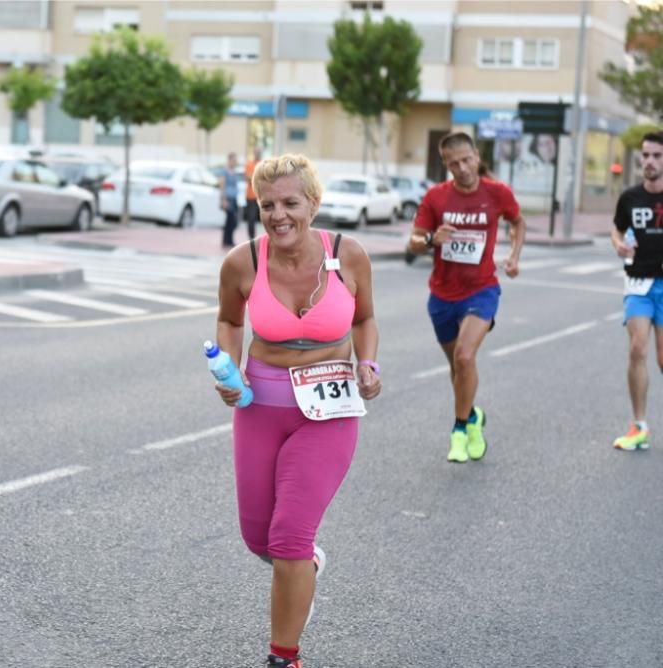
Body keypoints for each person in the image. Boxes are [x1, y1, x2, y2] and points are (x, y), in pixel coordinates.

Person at [214, 153, 382, 668]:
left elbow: (366, 318)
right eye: (267, 205)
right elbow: (228, 321)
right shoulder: (242, 262)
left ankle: (284, 656)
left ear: (313, 203)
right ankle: (304, 566)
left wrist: (368, 362)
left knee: (289, 536)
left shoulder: (348, 254)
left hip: (329, 410)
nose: (278, 214)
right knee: (258, 537)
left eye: (290, 202)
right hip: (260, 404)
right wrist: (230, 366)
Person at [405, 132, 525, 463]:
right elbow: (413, 242)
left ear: (476, 155)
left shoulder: (497, 192)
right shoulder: (436, 197)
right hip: (442, 293)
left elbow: (517, 221)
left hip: (482, 289)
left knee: (464, 357)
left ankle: (460, 430)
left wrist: (514, 256)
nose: (461, 168)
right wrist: (431, 238)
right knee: (456, 367)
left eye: (466, 159)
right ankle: (473, 415)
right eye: (453, 163)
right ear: (446, 165)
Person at [610, 131, 663, 451]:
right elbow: (616, 227)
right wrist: (618, 244)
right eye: (646, 155)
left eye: (657, 156)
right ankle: (639, 425)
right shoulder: (630, 197)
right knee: (637, 349)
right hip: (639, 283)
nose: (650, 162)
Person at [219, 151, 240, 248]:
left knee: (233, 221)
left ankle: (230, 239)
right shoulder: (225, 171)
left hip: (234, 198)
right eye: (234, 160)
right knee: (229, 220)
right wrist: (223, 199)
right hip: (227, 198)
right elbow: (222, 185)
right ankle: (226, 241)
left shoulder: (234, 171)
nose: (235, 162)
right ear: (230, 160)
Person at [244, 146, 262, 240]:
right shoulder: (249, 164)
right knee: (251, 218)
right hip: (251, 196)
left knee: (262, 218)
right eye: (256, 152)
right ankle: (251, 238)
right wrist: (258, 177)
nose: (257, 154)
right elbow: (247, 177)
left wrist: (254, 177)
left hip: (261, 196)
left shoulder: (263, 164)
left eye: (259, 152)